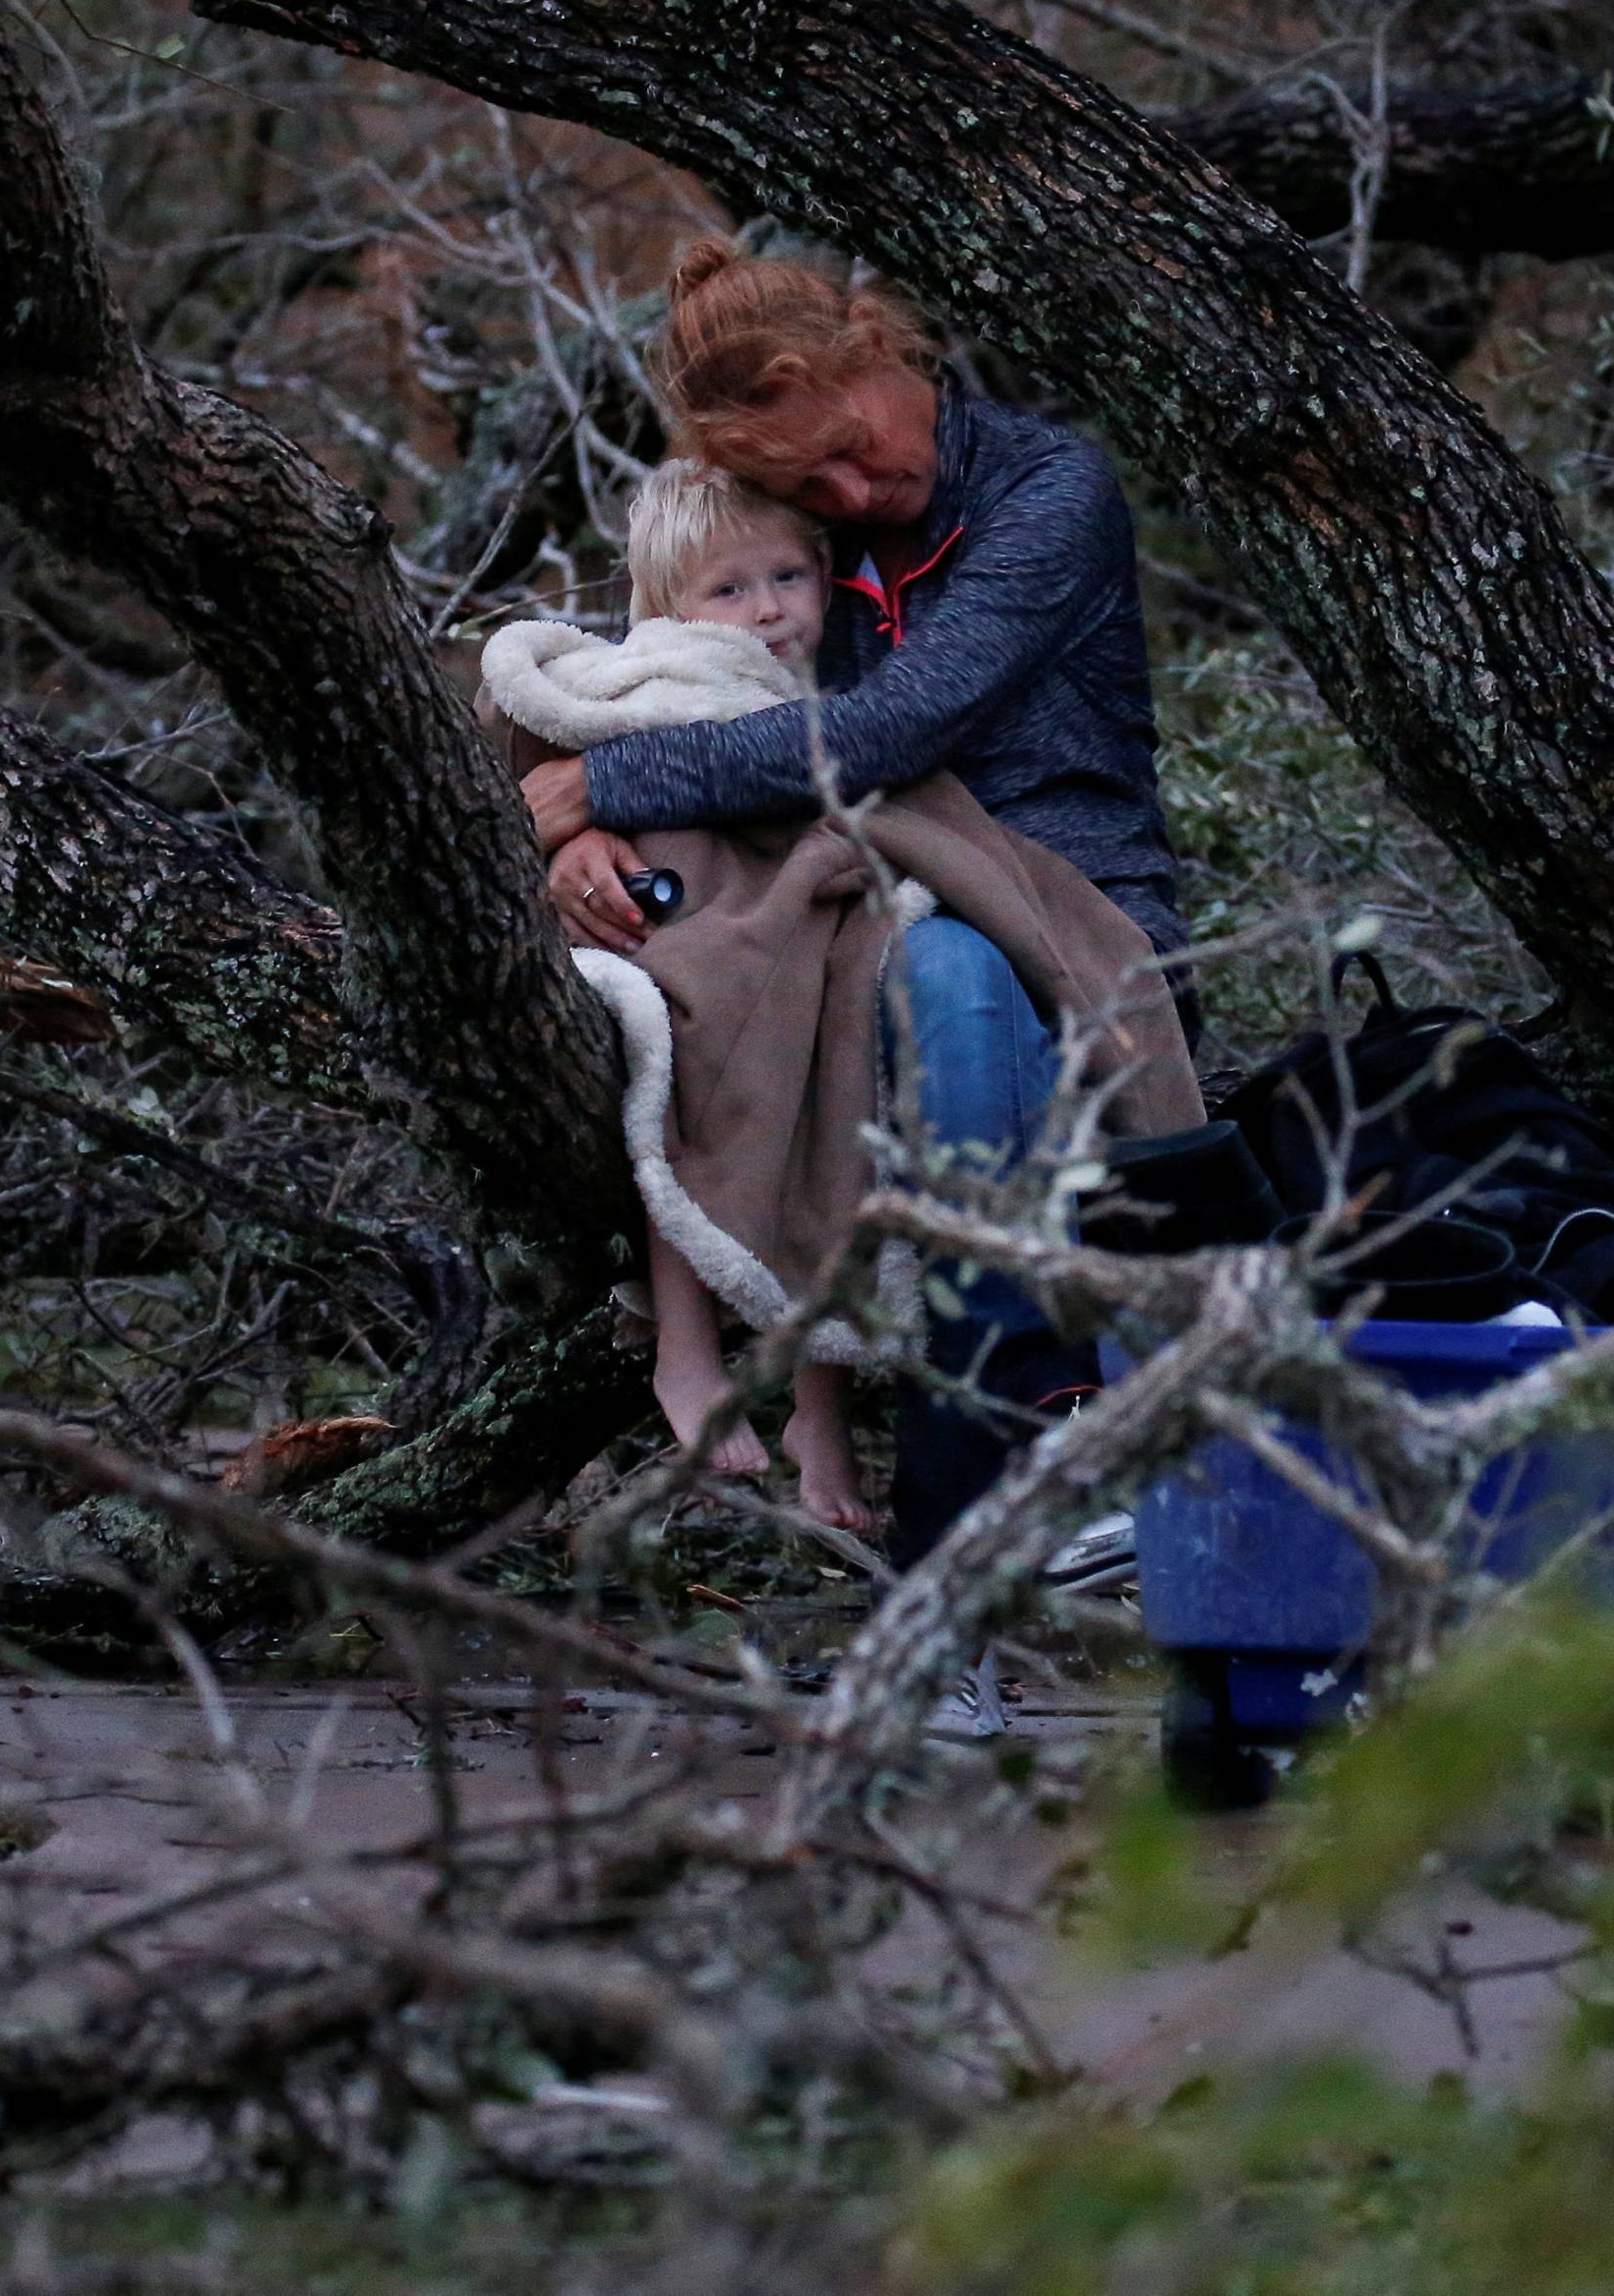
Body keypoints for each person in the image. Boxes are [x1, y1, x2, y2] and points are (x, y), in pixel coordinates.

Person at [519, 241, 1198, 1725]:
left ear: (883, 351)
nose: (838, 503)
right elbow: (705, 683)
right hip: (860, 902)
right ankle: (996, 1502)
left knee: (959, 990)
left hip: (1065, 891)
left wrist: (601, 780)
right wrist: (603, 842)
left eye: (844, 453)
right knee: (891, 982)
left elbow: (890, 728)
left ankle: (994, 1515)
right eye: (800, 490)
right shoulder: (787, 534)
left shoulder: (1044, 496)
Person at [483, 460, 1202, 1537]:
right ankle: (684, 1352)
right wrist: (586, 832)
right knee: (704, 1036)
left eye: (789, 577)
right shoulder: (650, 681)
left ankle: (821, 1404)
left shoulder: (841, 694)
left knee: (848, 1075)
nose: (767, 609)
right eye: (731, 590)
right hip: (690, 948)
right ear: (671, 605)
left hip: (817, 948)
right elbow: (543, 738)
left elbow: (864, 789)